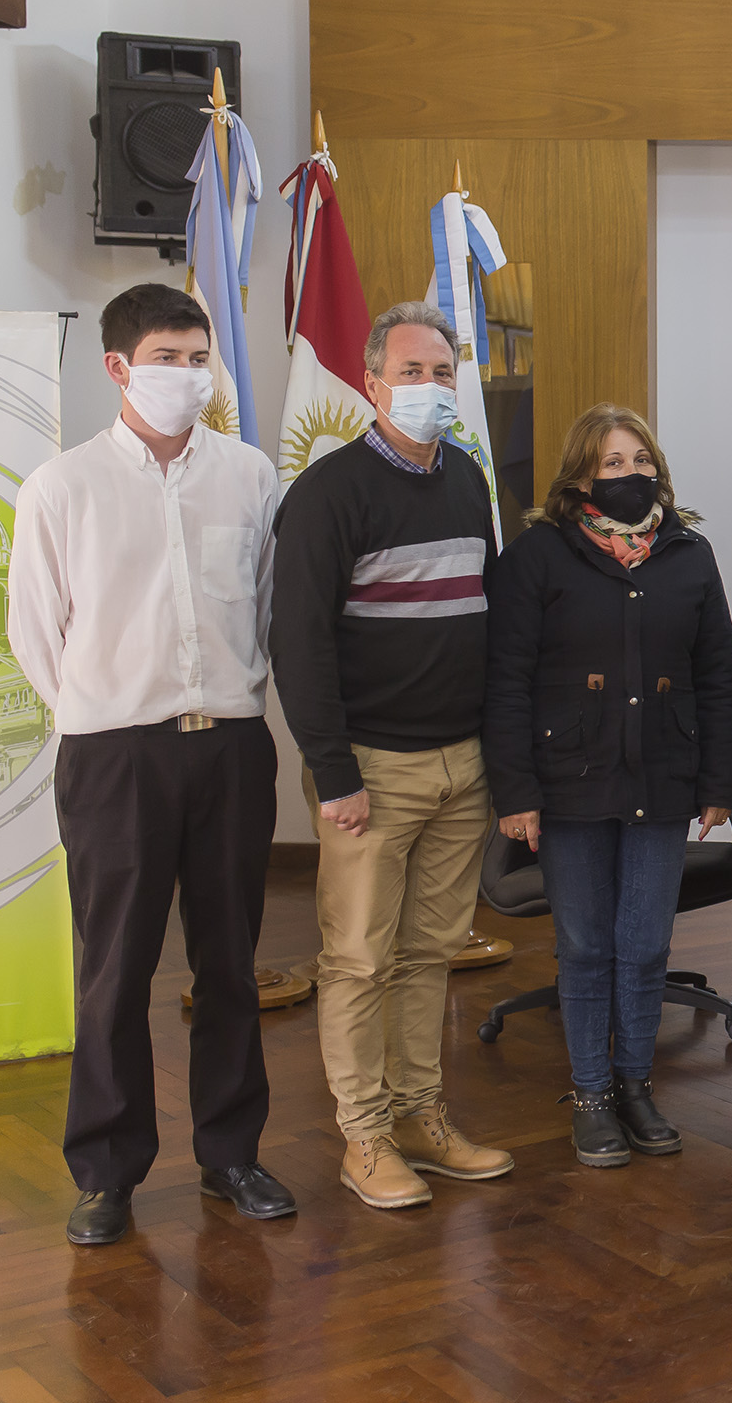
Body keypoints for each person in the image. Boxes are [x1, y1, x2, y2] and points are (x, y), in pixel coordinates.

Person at [8, 283, 294, 1245]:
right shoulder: (63, 487)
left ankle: (232, 1154)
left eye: (199, 358)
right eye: (167, 358)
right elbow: (35, 632)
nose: (188, 375)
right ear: (118, 368)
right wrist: (104, 711)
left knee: (230, 964)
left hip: (230, 750)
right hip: (115, 757)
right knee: (115, 971)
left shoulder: (249, 475)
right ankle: (106, 1172)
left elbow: (265, 605)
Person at [272, 301, 513, 1209]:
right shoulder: (327, 493)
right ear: (372, 384)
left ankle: (420, 1116)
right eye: (411, 372)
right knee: (359, 961)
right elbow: (299, 644)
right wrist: (333, 773)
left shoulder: (467, 478)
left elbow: (484, 616)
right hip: (370, 770)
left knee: (428, 955)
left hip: (462, 765)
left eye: (442, 373)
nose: (430, 387)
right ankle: (364, 1138)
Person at [484, 404, 732, 1167]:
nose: (631, 474)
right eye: (612, 463)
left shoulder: (688, 553)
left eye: (641, 460)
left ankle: (635, 1084)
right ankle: (592, 1093)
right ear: (580, 478)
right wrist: (515, 793)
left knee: (645, 944)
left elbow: (717, 677)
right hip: (570, 783)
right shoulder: (538, 556)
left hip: (664, 777)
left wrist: (719, 781)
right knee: (585, 944)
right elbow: (507, 682)